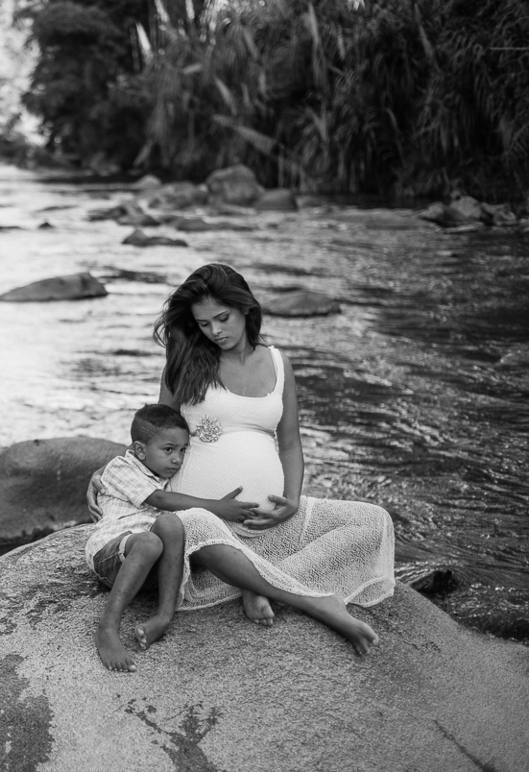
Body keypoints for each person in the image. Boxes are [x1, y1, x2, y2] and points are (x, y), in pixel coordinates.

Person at [153, 262, 395, 654]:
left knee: (372, 521)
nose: (215, 331)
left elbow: (290, 444)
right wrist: (117, 473)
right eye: (203, 324)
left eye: (222, 318)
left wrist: (292, 502)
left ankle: (262, 581)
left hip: (268, 522)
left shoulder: (280, 363)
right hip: (206, 522)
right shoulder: (185, 361)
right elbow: (153, 433)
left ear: (245, 308)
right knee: (184, 524)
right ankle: (312, 599)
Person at [88, 403, 259, 672]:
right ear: (140, 450)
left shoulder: (166, 474)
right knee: (150, 541)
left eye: (182, 451)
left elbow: (174, 508)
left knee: (169, 525)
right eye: (168, 450)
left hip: (150, 568)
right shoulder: (121, 468)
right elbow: (161, 500)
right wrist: (217, 506)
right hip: (113, 553)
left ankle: (164, 616)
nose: (177, 459)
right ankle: (107, 628)